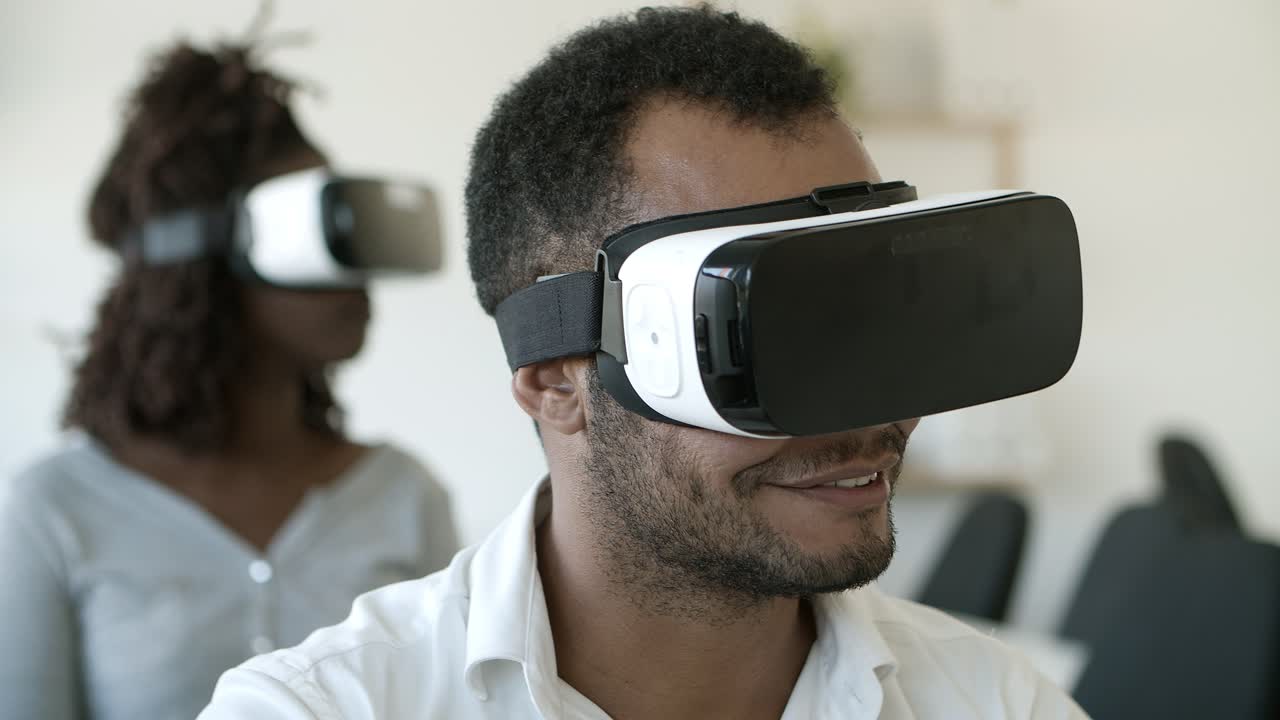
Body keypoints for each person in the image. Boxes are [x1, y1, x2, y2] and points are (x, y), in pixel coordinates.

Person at [199, 7, 1088, 719]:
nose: (868, 420)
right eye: (765, 334)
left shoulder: (997, 703)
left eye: (873, 324)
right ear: (557, 380)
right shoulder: (327, 707)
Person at [0, 39, 459, 720]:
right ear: (199, 260)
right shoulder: (55, 511)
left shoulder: (403, 499)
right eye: (315, 232)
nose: (353, 271)